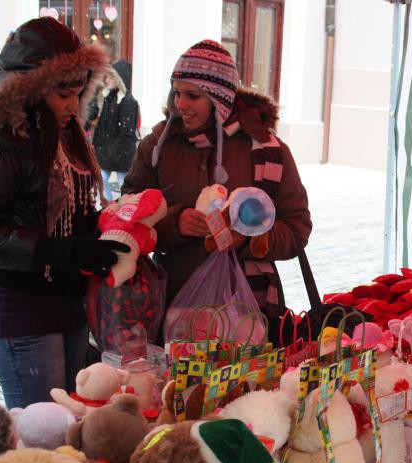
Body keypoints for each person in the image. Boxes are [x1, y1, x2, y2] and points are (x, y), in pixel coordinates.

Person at [0, 18, 129, 409]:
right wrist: (59, 251)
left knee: (71, 423)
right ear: (29, 89)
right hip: (21, 311)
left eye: (78, 93)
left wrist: (105, 229)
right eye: (63, 94)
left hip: (68, 306)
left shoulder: (65, 135)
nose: (72, 105)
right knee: (43, 430)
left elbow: (67, 210)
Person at [122, 40, 311, 319]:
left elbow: (296, 228)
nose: (181, 104)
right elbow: (127, 214)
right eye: (177, 93)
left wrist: (247, 239)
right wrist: (175, 223)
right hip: (173, 304)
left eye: (193, 96)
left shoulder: (267, 151)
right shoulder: (158, 146)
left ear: (219, 100)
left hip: (245, 310)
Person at [91, 60, 140, 201]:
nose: (107, 80)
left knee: (124, 185)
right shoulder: (109, 98)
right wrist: (98, 145)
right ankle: (109, 205)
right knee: (101, 179)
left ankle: (124, 207)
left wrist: (112, 151)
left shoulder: (129, 101)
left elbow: (127, 132)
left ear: (120, 79)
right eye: (106, 76)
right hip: (108, 152)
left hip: (121, 154)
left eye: (111, 77)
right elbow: (102, 126)